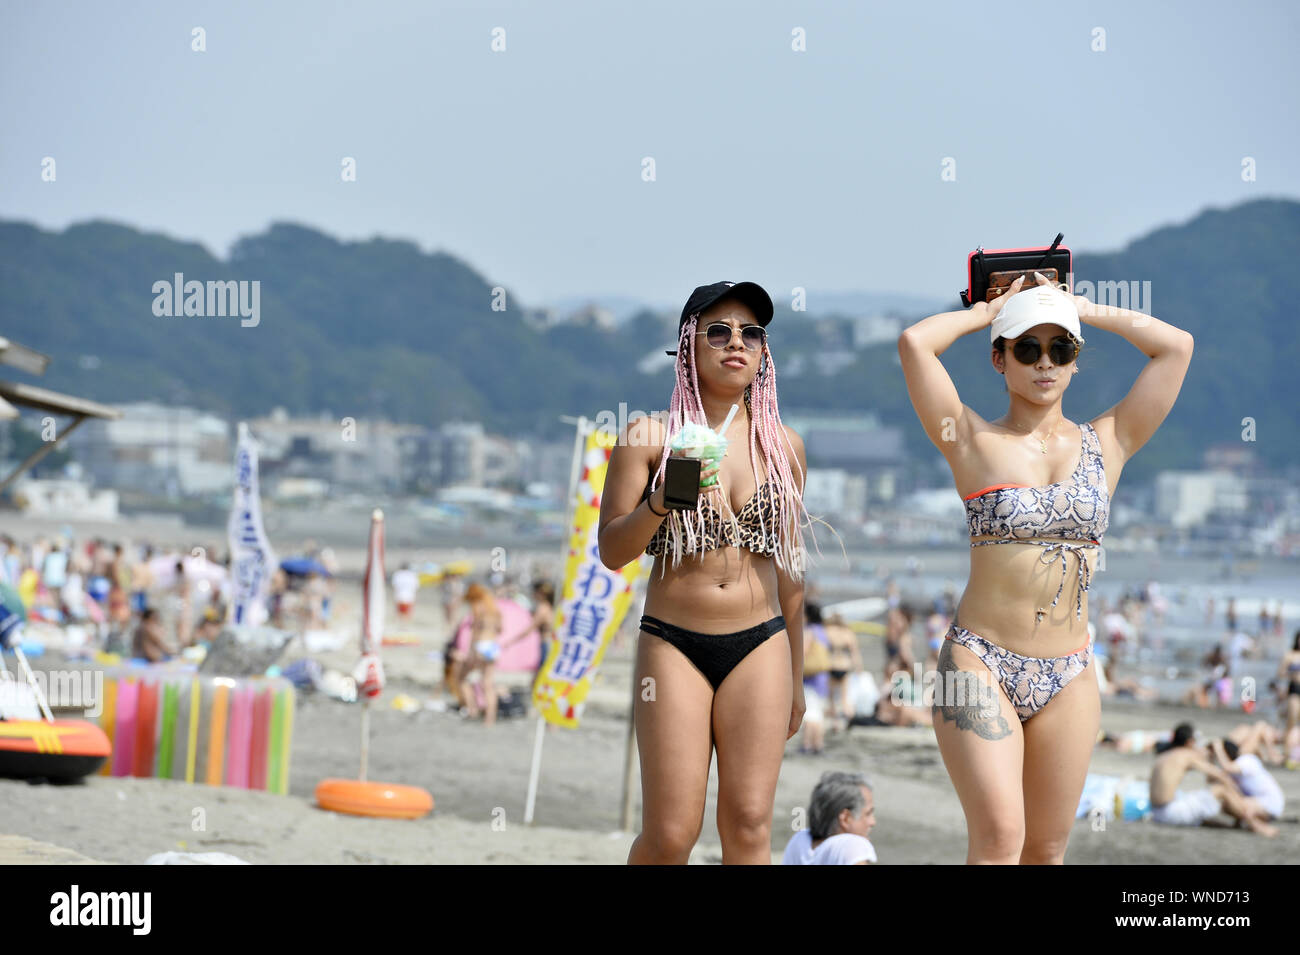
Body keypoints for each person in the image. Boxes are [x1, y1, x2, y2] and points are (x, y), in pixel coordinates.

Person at [898, 270, 1194, 864]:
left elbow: (1176, 347)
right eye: (1027, 348)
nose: (1045, 363)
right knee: (1000, 839)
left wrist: (1079, 306)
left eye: (1061, 348)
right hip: (981, 661)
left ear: (1076, 359)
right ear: (999, 359)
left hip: (1070, 670)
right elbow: (915, 344)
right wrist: (989, 310)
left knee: (1047, 849)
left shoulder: (1107, 442)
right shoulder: (971, 440)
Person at [598, 280, 822, 865]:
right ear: (688, 346)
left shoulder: (784, 447)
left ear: (764, 352)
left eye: (751, 333)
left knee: (749, 824)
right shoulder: (648, 436)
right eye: (717, 331)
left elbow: (790, 571)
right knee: (673, 831)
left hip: (761, 643)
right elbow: (612, 552)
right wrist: (658, 504)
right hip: (674, 641)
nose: (736, 343)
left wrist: (798, 675)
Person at [1149, 723, 1276, 836]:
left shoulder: (1165, 755)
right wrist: (1238, 796)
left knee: (1203, 801)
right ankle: (1255, 824)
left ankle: (1240, 821)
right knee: (1222, 790)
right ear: (1189, 742)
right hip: (1170, 813)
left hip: (1157, 813)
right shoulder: (1187, 754)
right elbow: (1219, 775)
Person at [782, 771, 877, 865]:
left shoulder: (799, 841)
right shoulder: (853, 846)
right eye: (868, 814)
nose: (873, 822)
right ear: (845, 818)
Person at [1210, 738, 1284, 822]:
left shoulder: (1247, 760)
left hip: (1270, 802)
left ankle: (1255, 823)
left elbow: (1228, 767)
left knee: (1232, 804)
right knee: (1226, 804)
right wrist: (1210, 759)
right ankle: (1249, 821)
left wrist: (1218, 749)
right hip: (1259, 801)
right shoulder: (1234, 768)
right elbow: (1211, 779)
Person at [800, 603, 832, 754]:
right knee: (818, 713)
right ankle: (818, 745)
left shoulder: (809, 631)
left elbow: (803, 653)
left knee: (810, 713)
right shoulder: (822, 631)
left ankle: (807, 744)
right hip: (822, 677)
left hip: (810, 677)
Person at [825, 612, 862, 725]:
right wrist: (858, 667)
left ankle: (835, 721)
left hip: (831, 664)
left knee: (831, 698)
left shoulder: (828, 630)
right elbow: (854, 652)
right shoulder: (847, 632)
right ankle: (849, 718)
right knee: (844, 697)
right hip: (844, 665)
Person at [1276, 630, 1300, 767]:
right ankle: (1286, 753)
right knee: (1291, 722)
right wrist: (1292, 673)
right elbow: (1280, 673)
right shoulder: (1290, 655)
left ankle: (1294, 755)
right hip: (1294, 691)